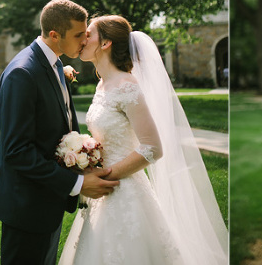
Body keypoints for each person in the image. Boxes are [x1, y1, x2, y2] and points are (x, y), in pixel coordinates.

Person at [58, 15, 228, 265]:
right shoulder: (102, 85)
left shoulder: (127, 87)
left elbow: (153, 148)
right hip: (103, 192)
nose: (83, 38)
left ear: (106, 44)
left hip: (125, 190)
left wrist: (105, 175)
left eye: (89, 34)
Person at [0, 0, 120, 265]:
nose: (84, 41)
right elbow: (17, 152)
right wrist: (78, 183)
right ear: (54, 35)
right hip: (25, 203)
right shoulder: (22, 73)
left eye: (86, 34)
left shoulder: (56, 64)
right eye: (78, 35)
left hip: (46, 198)